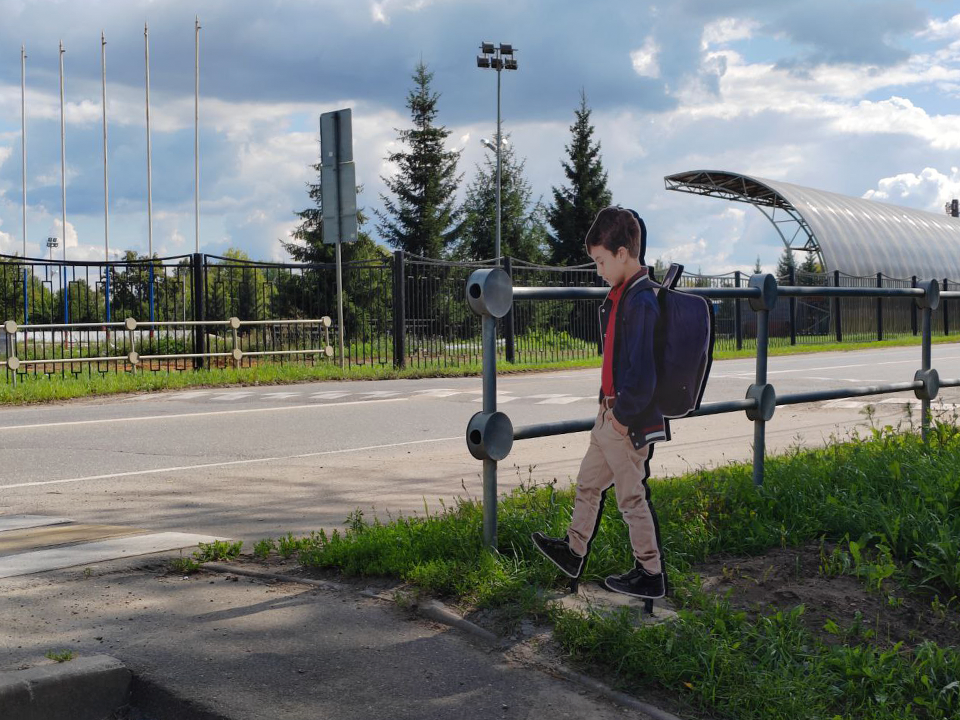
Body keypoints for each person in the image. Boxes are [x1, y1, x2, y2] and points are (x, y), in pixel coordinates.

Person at [532, 206, 668, 599]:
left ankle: (650, 572)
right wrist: (606, 410)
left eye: (601, 261)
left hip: (626, 418)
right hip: (608, 413)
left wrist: (621, 419)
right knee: (588, 485)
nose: (598, 270)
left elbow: (643, 374)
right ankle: (574, 551)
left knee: (630, 497)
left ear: (623, 253)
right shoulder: (621, 294)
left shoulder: (641, 300)